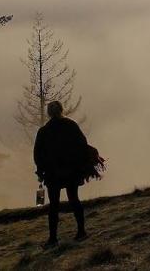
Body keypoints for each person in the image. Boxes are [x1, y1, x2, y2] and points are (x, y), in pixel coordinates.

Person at [34, 101, 89, 247]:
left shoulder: (44, 131)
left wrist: (40, 171)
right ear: (61, 110)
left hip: (52, 174)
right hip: (71, 171)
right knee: (74, 199)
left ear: (49, 113)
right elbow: (82, 144)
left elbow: (38, 154)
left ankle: (53, 239)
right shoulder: (71, 126)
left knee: (54, 206)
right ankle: (81, 232)